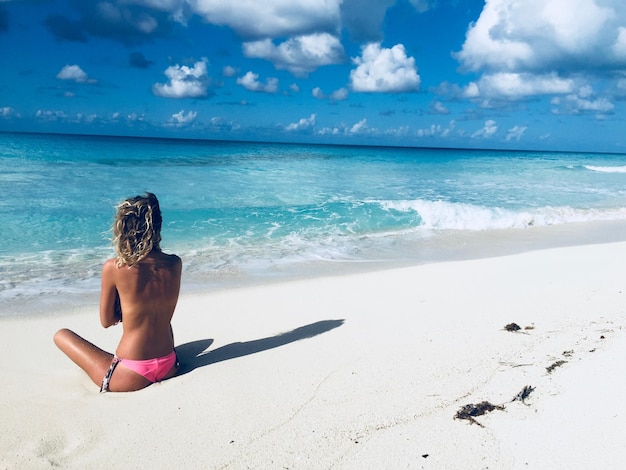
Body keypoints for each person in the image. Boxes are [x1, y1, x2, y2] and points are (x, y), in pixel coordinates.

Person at [54, 193, 182, 392]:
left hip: (130, 372)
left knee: (61, 335)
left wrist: (126, 312)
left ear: (123, 227)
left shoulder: (114, 267)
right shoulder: (175, 263)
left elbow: (106, 321)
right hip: (169, 364)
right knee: (161, 318)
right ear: (157, 226)